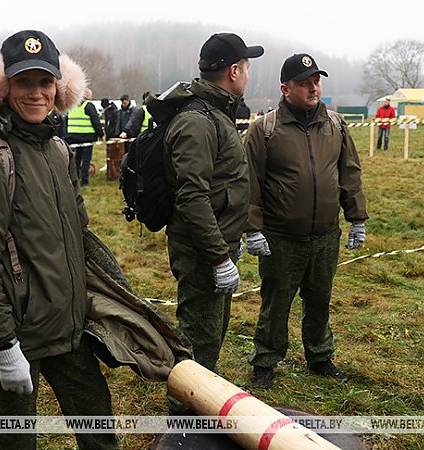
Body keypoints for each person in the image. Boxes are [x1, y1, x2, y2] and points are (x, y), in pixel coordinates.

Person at [0, 29, 118, 450]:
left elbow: (78, 237)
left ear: (58, 88)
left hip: (70, 330)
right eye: (23, 82)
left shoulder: (59, 150)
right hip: (16, 336)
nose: (36, 93)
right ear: (2, 87)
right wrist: (5, 345)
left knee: (101, 436)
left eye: (45, 82)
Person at [143, 32, 262, 413]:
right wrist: (217, 256)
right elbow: (192, 197)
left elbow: (223, 185)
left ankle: (200, 394)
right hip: (200, 250)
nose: (248, 74)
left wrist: (237, 233)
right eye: (246, 66)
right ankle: (183, 413)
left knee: (211, 330)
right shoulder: (197, 120)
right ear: (233, 70)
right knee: (199, 334)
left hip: (213, 243)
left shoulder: (218, 112)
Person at [243, 53, 368, 389]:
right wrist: (252, 229)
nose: (313, 88)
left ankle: (320, 357)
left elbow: (349, 174)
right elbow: (250, 184)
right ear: (286, 88)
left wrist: (356, 217)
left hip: (326, 235)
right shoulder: (264, 130)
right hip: (281, 238)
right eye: (303, 83)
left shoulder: (336, 125)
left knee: (319, 300)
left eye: (316, 80)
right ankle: (266, 361)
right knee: (276, 302)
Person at [65, 88, 103, 186]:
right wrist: (100, 134)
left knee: (76, 159)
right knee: (86, 159)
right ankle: (84, 180)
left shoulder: (73, 105)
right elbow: (95, 120)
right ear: (88, 96)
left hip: (73, 136)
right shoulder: (88, 105)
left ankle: (76, 177)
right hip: (87, 137)